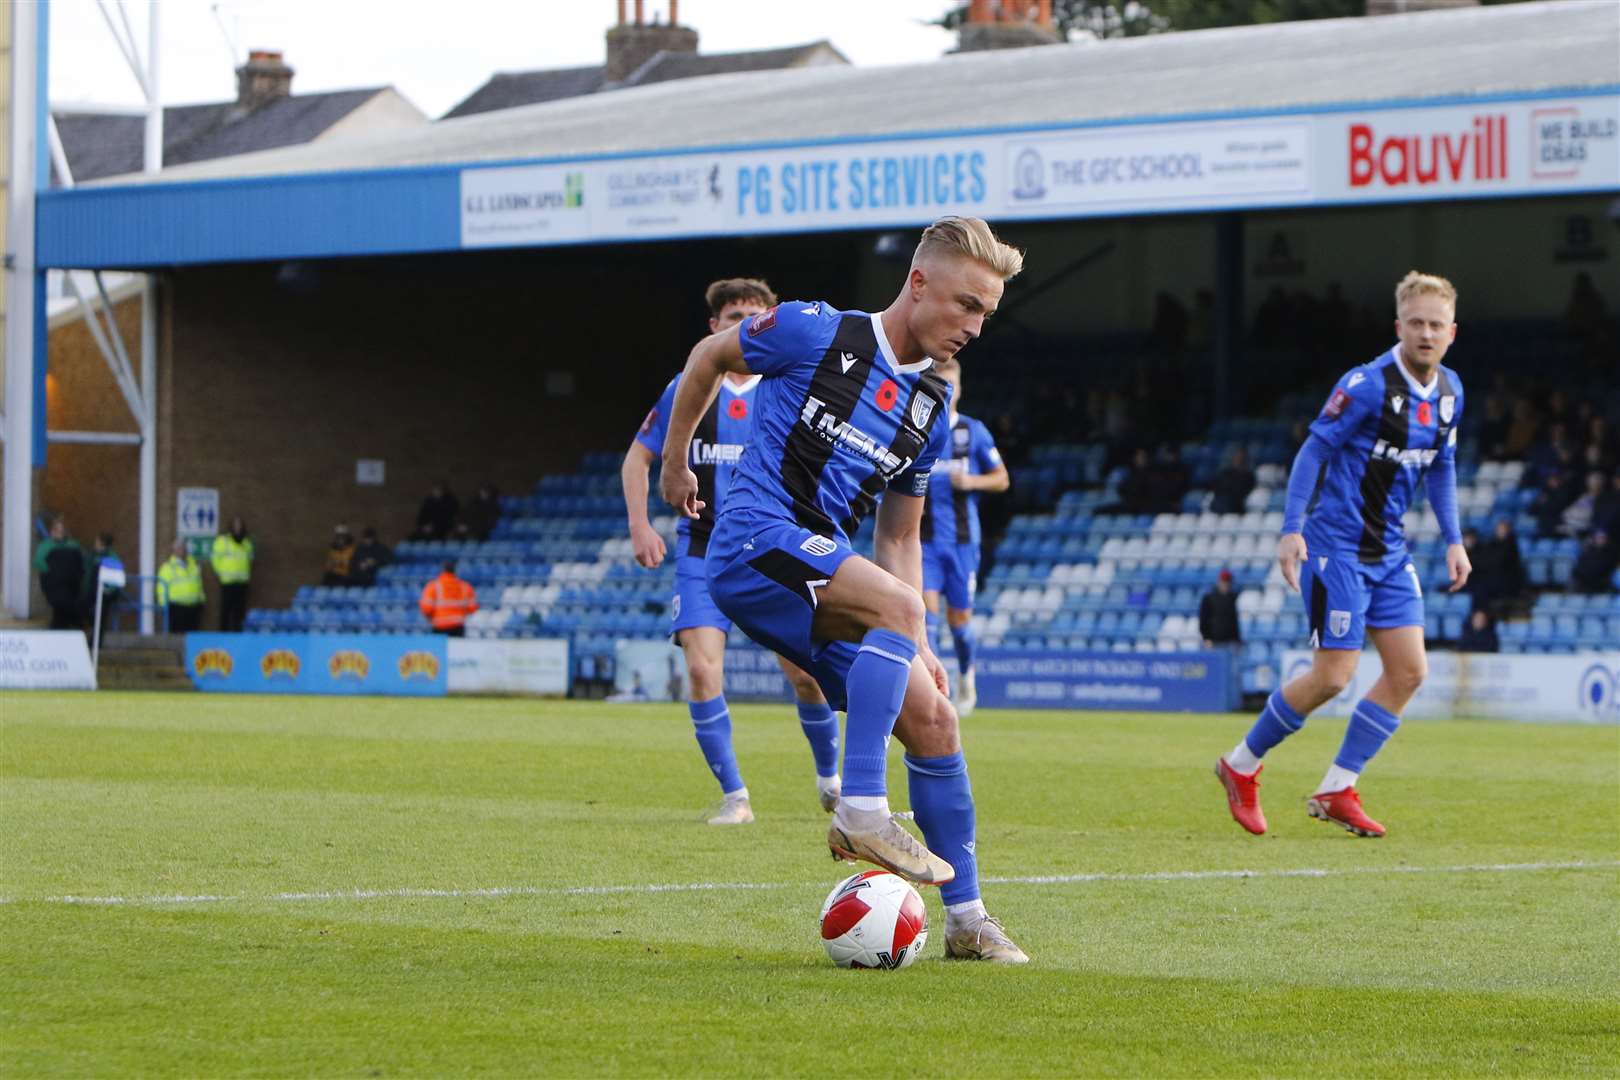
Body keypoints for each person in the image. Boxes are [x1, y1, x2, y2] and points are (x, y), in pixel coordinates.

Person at [660, 216, 1030, 963]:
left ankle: (967, 922)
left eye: (986, 314)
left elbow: (899, 539)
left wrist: (919, 647)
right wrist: (676, 463)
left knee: (935, 720)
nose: (975, 327)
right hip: (750, 540)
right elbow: (708, 355)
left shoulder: (926, 412)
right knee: (898, 606)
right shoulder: (811, 331)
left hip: (817, 578)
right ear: (918, 283)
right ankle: (861, 806)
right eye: (966, 304)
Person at [1214, 270, 1470, 840]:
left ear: (1452, 331)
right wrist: (1291, 528)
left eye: (1436, 325)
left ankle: (1336, 787)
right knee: (1334, 676)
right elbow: (1313, 451)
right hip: (1337, 549)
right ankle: (1241, 764)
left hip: (1391, 552)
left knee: (1408, 671)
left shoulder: (1451, 392)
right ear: (1398, 326)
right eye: (1417, 323)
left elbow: (1443, 468)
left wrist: (1454, 537)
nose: (1426, 333)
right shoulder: (1367, 385)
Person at [622, 277, 841, 825]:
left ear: (766, 323)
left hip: (772, 552)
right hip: (700, 549)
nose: (737, 322)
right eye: (728, 316)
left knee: (807, 674)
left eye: (751, 314)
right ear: (713, 327)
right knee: (701, 671)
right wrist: (640, 525)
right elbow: (637, 459)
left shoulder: (787, 386)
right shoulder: (687, 388)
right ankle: (735, 798)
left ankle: (831, 780)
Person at [919, 356, 1008, 717]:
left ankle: (967, 674)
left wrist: (971, 481)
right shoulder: (918, 429)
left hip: (962, 542)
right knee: (926, 618)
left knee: (960, 624)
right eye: (941, 377)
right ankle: (935, 691)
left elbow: (1001, 479)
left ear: (960, 386)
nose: (948, 384)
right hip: (923, 543)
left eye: (953, 377)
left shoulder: (973, 432)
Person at [33, 517, 86, 631]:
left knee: (65, 609)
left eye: (61, 530)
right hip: (54, 584)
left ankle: (61, 629)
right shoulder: (46, 545)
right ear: (52, 531)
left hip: (71, 584)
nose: (58, 533)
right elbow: (38, 561)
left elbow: (80, 564)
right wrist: (52, 573)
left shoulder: (73, 545)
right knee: (61, 604)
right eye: (56, 530)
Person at [210, 516, 254, 632]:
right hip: (227, 582)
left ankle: (238, 634)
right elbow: (215, 560)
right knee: (226, 610)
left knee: (240, 611)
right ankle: (223, 634)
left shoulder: (246, 544)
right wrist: (221, 574)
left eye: (240, 526)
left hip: (242, 583)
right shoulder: (222, 542)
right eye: (235, 525)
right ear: (231, 527)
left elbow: (249, 561)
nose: (238, 528)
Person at [158, 538, 206, 633]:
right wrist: (164, 606)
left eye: (184, 548)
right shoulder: (167, 568)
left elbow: (199, 584)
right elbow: (161, 589)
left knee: (192, 638)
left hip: (193, 607)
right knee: (177, 637)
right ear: (174, 551)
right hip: (176, 608)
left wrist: (202, 600)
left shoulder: (194, 566)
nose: (182, 551)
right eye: (179, 548)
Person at [419, 559, 478, 635]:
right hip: (458, 627)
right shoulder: (465, 587)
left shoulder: (433, 586)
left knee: (439, 647)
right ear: (455, 570)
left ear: (443, 569)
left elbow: (426, 609)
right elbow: (472, 608)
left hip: (439, 626)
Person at [83, 532, 124, 640]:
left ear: (102, 544)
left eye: (97, 542)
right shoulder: (92, 555)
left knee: (101, 612)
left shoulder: (112, 557)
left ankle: (96, 640)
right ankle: (93, 630)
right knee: (82, 607)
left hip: (107, 592)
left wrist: (108, 590)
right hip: (94, 590)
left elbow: (115, 579)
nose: (95, 544)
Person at [1198, 569, 1242, 648]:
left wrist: (1237, 639)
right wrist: (1206, 638)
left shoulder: (1233, 597)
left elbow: (1234, 620)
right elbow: (1203, 619)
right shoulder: (1209, 598)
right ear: (1219, 581)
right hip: (1214, 641)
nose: (1226, 584)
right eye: (1224, 581)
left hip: (1230, 641)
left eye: (1228, 581)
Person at [1210, 446, 1257, 515]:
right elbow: (1217, 488)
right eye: (1237, 457)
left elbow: (1244, 490)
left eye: (1242, 458)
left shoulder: (1249, 475)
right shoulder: (1225, 473)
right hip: (1221, 501)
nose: (1239, 459)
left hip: (1236, 505)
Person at [1571, 529, 1617, 595]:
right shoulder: (1587, 553)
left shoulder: (1610, 554)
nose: (1600, 540)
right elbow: (1579, 568)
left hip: (1602, 583)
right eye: (1598, 538)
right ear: (1594, 539)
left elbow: (1608, 569)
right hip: (1585, 582)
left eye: (1602, 538)